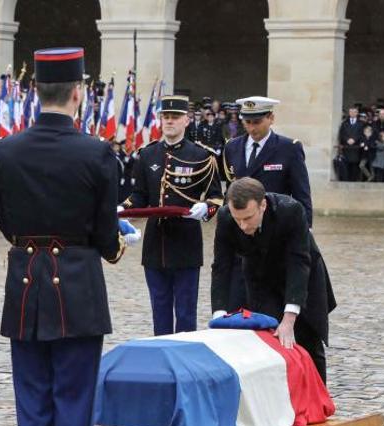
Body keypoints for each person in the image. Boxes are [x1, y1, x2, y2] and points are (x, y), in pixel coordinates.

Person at [0, 47, 131, 426]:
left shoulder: (6, 150)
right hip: (77, 288)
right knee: (73, 406)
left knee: (32, 407)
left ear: (36, 93)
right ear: (78, 93)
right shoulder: (96, 153)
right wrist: (113, 246)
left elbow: (7, 224)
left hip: (26, 287)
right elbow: (108, 236)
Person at [211, 177, 335, 383]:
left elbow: (299, 263)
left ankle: (319, 400)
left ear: (263, 205)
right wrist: (219, 315)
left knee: (307, 340)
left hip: (302, 276)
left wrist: (290, 317)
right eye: (237, 219)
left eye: (248, 218)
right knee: (266, 338)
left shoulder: (291, 211)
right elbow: (221, 267)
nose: (242, 225)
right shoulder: (225, 217)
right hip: (260, 278)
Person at [121, 95, 223, 335]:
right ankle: (162, 356)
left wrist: (205, 209)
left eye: (175, 117)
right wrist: (122, 209)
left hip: (186, 242)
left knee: (186, 311)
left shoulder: (201, 155)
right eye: (165, 117)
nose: (169, 121)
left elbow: (216, 197)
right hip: (156, 244)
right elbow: (139, 195)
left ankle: (185, 357)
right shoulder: (147, 154)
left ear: (187, 120)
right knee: (160, 308)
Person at [222, 96, 313, 310]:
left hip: (274, 233)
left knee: (270, 300)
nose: (252, 127)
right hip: (241, 233)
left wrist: (306, 230)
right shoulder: (232, 148)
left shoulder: (288, 148)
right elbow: (230, 190)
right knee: (237, 297)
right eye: (247, 122)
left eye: (257, 121)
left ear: (271, 118)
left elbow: (302, 194)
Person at [338, 106, 364, 181]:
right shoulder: (344, 123)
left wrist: (354, 139)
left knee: (354, 167)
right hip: (347, 148)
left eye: (354, 112)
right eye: (351, 112)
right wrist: (347, 140)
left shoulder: (361, 123)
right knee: (346, 166)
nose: (352, 113)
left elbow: (362, 134)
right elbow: (341, 134)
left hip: (356, 148)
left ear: (357, 113)